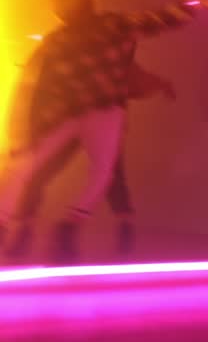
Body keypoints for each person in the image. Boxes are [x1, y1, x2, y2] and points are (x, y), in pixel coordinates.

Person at [0, 0, 208, 264]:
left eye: (66, 5)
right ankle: (42, 225)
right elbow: (31, 86)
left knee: (99, 171)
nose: (64, 12)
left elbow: (154, 21)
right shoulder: (63, 40)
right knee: (38, 167)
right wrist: (22, 130)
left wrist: (187, 5)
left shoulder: (100, 29)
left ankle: (63, 226)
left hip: (96, 112)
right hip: (76, 112)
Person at [3, 60, 175, 262]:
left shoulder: (112, 56)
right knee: (98, 173)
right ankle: (43, 230)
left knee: (104, 174)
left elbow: (133, 79)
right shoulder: (106, 55)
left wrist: (159, 83)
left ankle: (48, 230)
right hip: (80, 110)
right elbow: (132, 79)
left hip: (85, 110)